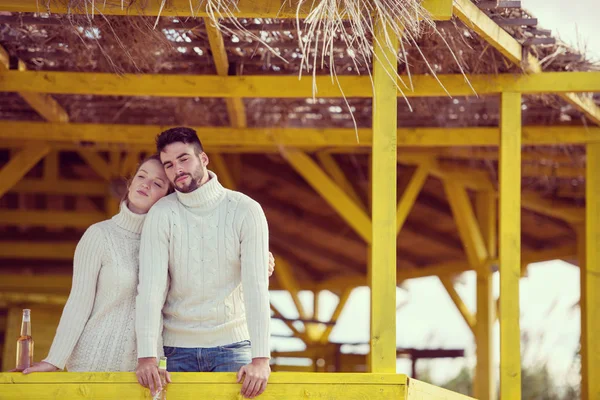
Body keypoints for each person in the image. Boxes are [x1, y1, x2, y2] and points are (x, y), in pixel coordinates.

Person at [18, 154, 275, 374]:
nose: (146, 185)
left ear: (168, 197)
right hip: (95, 357)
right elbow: (78, 302)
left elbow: (213, 265)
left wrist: (259, 259)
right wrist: (54, 360)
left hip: (147, 367)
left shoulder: (175, 239)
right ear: (130, 183)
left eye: (158, 183)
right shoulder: (99, 235)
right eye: (141, 176)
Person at [135, 127, 271, 399]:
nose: (177, 169)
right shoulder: (162, 213)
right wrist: (147, 356)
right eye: (169, 165)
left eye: (184, 159)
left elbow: (257, 288)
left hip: (234, 349)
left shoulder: (246, 209)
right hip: (176, 352)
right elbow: (150, 289)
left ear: (204, 159)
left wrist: (261, 359)